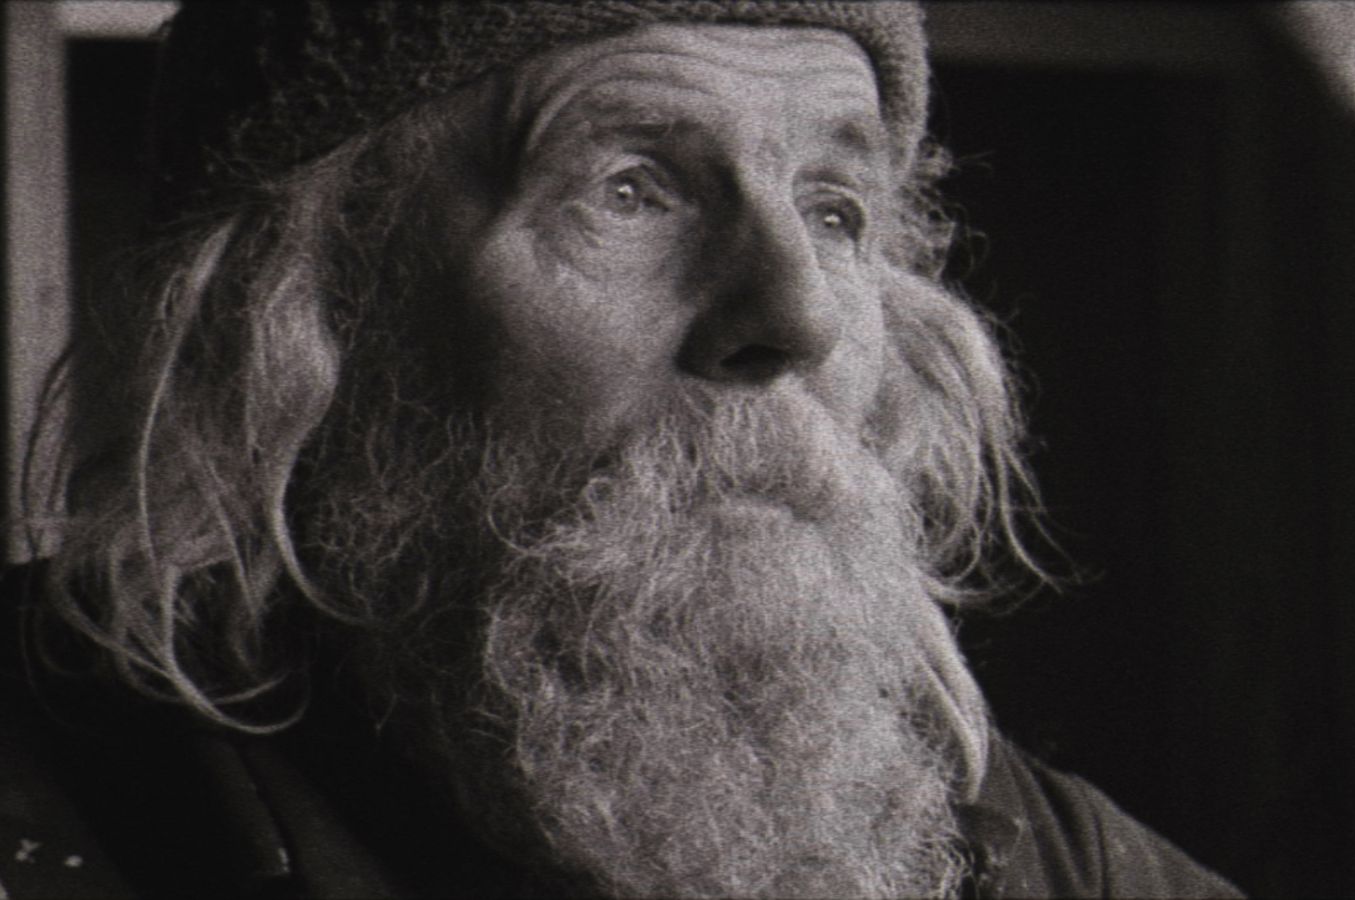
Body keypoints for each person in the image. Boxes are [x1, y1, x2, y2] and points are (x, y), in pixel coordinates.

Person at [0, 3, 1250, 898]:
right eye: (632, 188)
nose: (797, 315)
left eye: (835, 209)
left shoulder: (1046, 865)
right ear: (300, 308)